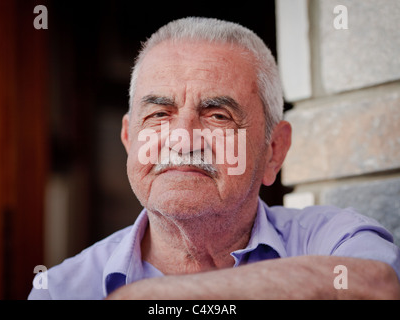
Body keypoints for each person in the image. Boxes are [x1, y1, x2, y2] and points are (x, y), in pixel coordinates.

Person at [28, 17, 400, 300]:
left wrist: (150, 297)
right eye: (158, 115)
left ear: (274, 151)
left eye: (218, 115)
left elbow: (379, 285)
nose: (184, 139)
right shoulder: (59, 290)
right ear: (129, 139)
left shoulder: (331, 238)